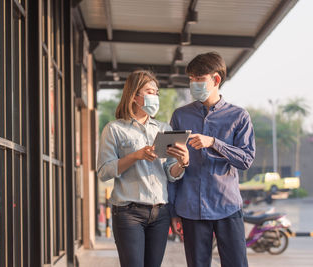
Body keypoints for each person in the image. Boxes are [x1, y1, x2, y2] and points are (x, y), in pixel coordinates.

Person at [169, 52, 255, 267]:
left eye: (199, 79)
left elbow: (246, 160)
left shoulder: (239, 116)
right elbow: (169, 164)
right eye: (191, 79)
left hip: (227, 205)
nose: (193, 84)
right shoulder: (180, 116)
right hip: (190, 208)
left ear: (216, 80)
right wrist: (173, 210)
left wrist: (214, 143)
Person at [97, 70, 189, 267]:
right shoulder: (114, 129)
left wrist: (182, 163)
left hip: (160, 213)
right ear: (134, 95)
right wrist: (135, 156)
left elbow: (171, 173)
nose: (154, 97)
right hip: (128, 213)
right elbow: (104, 171)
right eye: (149, 91)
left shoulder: (164, 129)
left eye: (156, 92)